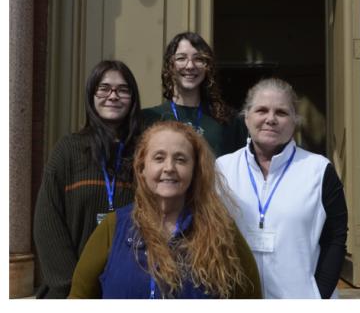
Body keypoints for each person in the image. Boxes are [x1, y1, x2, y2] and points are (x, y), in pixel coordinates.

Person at [69, 121, 261, 298]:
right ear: (142, 168)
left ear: (195, 171)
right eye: (159, 158)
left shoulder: (222, 232)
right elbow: (78, 298)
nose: (169, 167)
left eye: (180, 160)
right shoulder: (113, 228)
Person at [216, 78, 347, 299]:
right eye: (261, 110)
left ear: (295, 121)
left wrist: (319, 297)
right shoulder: (222, 169)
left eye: (281, 112)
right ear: (246, 117)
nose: (270, 119)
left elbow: (335, 238)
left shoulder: (318, 169)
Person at [33, 60, 143, 298]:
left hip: (127, 291)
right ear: (91, 96)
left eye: (122, 90)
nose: (113, 95)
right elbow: (47, 222)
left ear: (133, 99)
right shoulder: (68, 150)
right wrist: (72, 287)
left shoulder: (144, 155)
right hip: (71, 293)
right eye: (104, 88)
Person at [142, 31, 246, 156]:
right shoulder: (149, 118)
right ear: (170, 66)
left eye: (198, 59)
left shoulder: (229, 121)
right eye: (181, 58)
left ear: (208, 67)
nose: (190, 66)